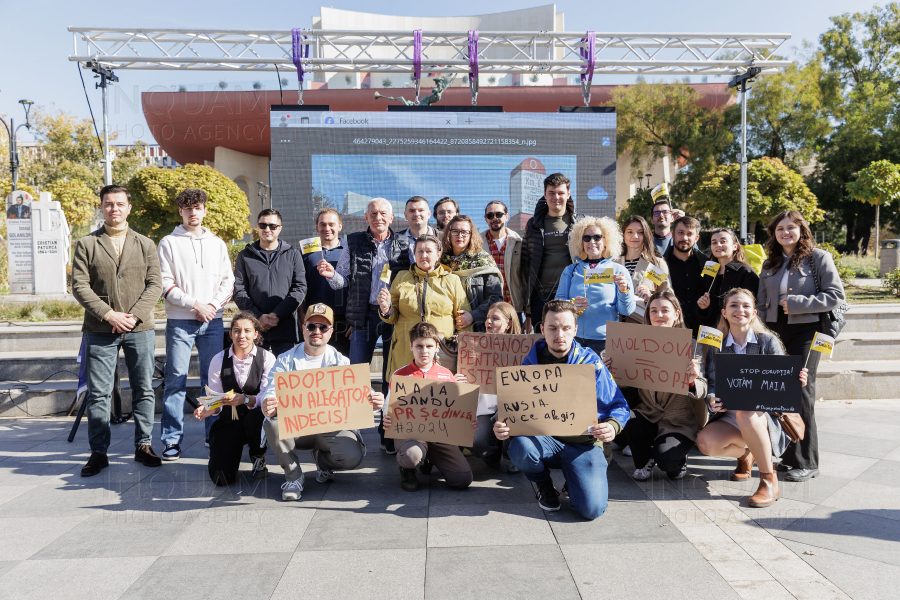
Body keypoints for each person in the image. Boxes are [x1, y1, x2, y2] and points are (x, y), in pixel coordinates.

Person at [494, 299, 630, 520]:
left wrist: (613, 427)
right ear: (542, 329)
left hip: (584, 444)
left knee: (592, 510)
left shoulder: (591, 362)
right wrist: (503, 426)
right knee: (519, 447)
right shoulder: (528, 366)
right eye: (552, 328)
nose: (560, 334)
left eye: (566, 328)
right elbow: (515, 414)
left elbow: (618, 404)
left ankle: (575, 476)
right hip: (545, 441)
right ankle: (543, 484)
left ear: (575, 329)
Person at [72, 185, 164, 477]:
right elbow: (79, 286)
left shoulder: (146, 244)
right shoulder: (87, 244)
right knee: (99, 394)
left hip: (140, 329)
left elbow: (155, 285)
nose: (114, 209)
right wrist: (109, 314)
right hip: (100, 328)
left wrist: (133, 316)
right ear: (101, 207)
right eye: (109, 204)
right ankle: (98, 453)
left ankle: (144, 445)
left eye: (120, 204)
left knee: (144, 388)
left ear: (129, 207)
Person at [261, 303, 385, 501]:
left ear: (330, 332)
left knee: (352, 457)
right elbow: (270, 391)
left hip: (329, 427)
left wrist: (375, 400)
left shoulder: (341, 361)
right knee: (272, 423)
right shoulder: (285, 360)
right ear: (303, 328)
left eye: (323, 327)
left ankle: (323, 462)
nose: (316, 331)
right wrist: (268, 403)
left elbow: (362, 391)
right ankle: (293, 477)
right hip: (298, 428)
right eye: (311, 326)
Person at [697, 288, 809, 507]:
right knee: (705, 442)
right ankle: (747, 454)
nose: (740, 310)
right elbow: (712, 383)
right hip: (730, 415)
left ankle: (769, 479)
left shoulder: (767, 342)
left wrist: (795, 381)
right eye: (734, 306)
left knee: (747, 413)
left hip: (763, 416)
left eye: (746, 306)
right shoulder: (716, 346)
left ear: (755, 312)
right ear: (724, 312)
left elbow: (782, 382)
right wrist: (711, 399)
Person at [757, 210, 845, 482]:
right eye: (780, 228)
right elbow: (761, 301)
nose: (785, 232)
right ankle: (789, 456)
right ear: (773, 233)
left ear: (801, 230)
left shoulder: (818, 258)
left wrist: (797, 304)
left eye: (790, 228)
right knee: (780, 390)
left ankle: (807, 460)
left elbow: (836, 296)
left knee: (801, 389)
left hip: (808, 330)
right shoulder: (769, 263)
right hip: (775, 330)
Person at [318, 198, 410, 453]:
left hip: (395, 315)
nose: (378, 217)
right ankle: (351, 433)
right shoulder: (354, 241)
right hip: (364, 315)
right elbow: (342, 280)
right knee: (356, 374)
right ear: (366, 218)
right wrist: (330, 275)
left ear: (392, 218)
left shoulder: (404, 243)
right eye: (373, 213)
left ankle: (388, 433)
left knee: (393, 374)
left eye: (383, 213)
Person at [158, 188, 235, 460]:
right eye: (187, 208)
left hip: (213, 320)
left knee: (212, 381)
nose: (193, 212)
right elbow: (165, 283)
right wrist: (195, 305)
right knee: (175, 380)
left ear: (204, 210)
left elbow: (228, 281)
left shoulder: (217, 244)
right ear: (180, 211)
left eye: (197, 207)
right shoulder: (168, 242)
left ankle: (212, 435)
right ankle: (171, 440)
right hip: (180, 321)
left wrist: (212, 307)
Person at [603, 290, 707, 480]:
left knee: (668, 463)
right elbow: (623, 383)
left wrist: (692, 381)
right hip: (647, 413)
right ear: (648, 315)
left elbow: (702, 388)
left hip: (677, 421)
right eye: (654, 311)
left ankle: (677, 462)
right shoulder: (635, 342)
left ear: (676, 314)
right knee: (628, 417)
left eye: (665, 310)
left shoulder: (691, 346)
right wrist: (610, 371)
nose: (659, 315)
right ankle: (644, 461)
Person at [382, 321, 474, 492]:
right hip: (410, 433)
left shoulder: (447, 375)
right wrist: (386, 418)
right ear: (410, 346)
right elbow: (388, 406)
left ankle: (430, 457)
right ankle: (407, 468)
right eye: (419, 346)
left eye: (429, 346)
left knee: (462, 479)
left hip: (439, 434)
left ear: (436, 347)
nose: (424, 351)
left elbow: (456, 411)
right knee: (412, 456)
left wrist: (467, 420)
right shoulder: (400, 374)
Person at [193, 311, 275, 486]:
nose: (242, 335)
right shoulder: (218, 359)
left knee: (257, 417)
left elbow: (267, 396)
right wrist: (208, 409)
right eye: (237, 331)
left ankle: (257, 454)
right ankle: (227, 452)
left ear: (255, 334)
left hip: (255, 418)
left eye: (247, 331)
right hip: (229, 419)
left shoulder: (267, 358)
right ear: (230, 334)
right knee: (220, 478)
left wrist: (245, 400)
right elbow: (215, 398)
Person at [377, 234, 471, 377]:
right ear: (414, 254)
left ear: (438, 254)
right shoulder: (401, 277)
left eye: (428, 251)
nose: (424, 255)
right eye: (419, 251)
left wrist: (466, 354)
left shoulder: (452, 280)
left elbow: (464, 320)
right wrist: (386, 309)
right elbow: (392, 317)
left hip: (442, 352)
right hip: (406, 349)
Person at [554, 216, 635, 355]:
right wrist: (570, 306)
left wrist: (624, 290)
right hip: (574, 340)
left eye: (597, 237)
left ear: (606, 241)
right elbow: (557, 306)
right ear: (581, 242)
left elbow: (626, 311)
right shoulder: (570, 271)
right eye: (587, 238)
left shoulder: (619, 270)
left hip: (605, 342)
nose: (592, 241)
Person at [233, 208, 307, 358]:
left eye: (273, 226)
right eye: (263, 225)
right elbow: (239, 290)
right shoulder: (244, 256)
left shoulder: (293, 254)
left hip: (286, 328)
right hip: (255, 330)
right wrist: (258, 317)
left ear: (280, 229)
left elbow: (299, 288)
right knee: (256, 378)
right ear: (258, 227)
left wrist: (277, 314)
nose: (267, 229)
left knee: (285, 377)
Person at [521, 173, 584, 332]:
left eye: (561, 193)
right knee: (542, 344)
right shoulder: (534, 224)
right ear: (545, 194)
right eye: (551, 193)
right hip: (541, 297)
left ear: (568, 194)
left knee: (569, 341)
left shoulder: (580, 222)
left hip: (571, 295)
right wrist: (527, 307)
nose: (556, 197)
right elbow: (525, 263)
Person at [472, 302, 522, 473]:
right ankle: (491, 455)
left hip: (512, 409)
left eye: (495, 318)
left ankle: (511, 456)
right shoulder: (473, 346)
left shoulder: (522, 350)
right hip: (484, 409)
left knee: (511, 422)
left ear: (508, 324)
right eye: (487, 318)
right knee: (478, 441)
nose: (489, 322)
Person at [440, 215, 503, 332]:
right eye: (455, 231)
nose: (460, 236)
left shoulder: (483, 260)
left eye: (465, 232)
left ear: (471, 235)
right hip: (445, 329)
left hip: (476, 329)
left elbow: (495, 298)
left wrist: (473, 315)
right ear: (449, 233)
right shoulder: (439, 262)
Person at [303, 208, 350, 356]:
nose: (327, 228)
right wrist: (301, 321)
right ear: (317, 227)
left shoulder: (351, 250)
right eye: (322, 224)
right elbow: (299, 288)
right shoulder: (306, 252)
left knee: (343, 369)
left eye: (331, 224)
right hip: (314, 321)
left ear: (340, 226)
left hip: (344, 321)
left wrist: (356, 321)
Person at [696, 228, 759, 328]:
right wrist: (703, 307)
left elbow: (753, 305)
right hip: (711, 332)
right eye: (714, 242)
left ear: (735, 246)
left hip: (736, 331)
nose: (718, 245)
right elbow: (703, 307)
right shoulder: (709, 270)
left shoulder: (745, 272)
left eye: (723, 241)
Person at [614, 215, 669, 323]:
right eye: (630, 232)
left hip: (643, 325)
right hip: (615, 325)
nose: (635, 236)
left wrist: (651, 297)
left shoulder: (656, 264)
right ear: (623, 235)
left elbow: (668, 297)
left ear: (646, 235)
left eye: (640, 232)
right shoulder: (613, 263)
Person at [481, 201, 525, 319]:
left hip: (513, 310)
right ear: (486, 219)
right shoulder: (476, 245)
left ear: (506, 216)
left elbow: (525, 279)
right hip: (485, 311)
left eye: (499, 214)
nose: (495, 218)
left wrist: (528, 313)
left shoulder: (519, 243)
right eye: (490, 216)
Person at [664, 216, 705, 333]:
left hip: (701, 329)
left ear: (696, 238)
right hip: (671, 329)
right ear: (673, 235)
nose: (684, 238)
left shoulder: (706, 263)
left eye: (689, 234)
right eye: (680, 233)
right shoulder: (660, 263)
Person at [402, 196, 438, 260]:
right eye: (412, 211)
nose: (416, 214)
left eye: (421, 210)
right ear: (406, 215)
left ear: (429, 214)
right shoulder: (395, 240)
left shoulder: (443, 238)